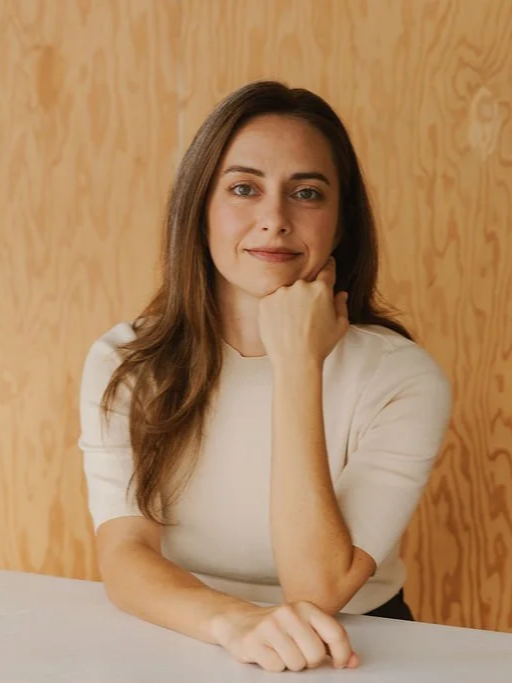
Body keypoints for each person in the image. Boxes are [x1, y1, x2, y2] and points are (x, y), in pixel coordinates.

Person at [79, 81, 451, 673]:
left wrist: (298, 367)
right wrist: (231, 621)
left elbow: (319, 588)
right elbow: (125, 553)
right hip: (189, 628)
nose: (274, 220)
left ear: (341, 220)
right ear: (198, 209)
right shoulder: (126, 362)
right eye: (244, 188)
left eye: (306, 193)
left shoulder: (402, 379)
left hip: (356, 646)